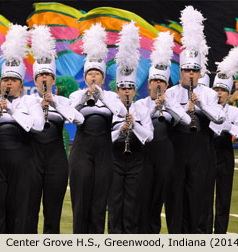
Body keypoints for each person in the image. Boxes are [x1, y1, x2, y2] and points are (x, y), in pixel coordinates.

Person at [0, 23, 44, 233]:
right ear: (0, 82)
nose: (8, 83)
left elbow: (39, 126)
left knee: (21, 214)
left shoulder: (30, 102)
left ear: (21, 84)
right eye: (5, 79)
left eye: (13, 80)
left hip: (23, 165)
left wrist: (12, 111)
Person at [164, 6, 225, 234]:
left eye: (194, 70)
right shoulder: (170, 93)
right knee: (175, 198)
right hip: (176, 151)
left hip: (201, 151)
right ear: (180, 71)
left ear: (200, 73)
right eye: (187, 70)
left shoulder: (209, 93)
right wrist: (182, 111)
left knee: (198, 198)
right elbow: (166, 123)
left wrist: (199, 105)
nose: (190, 74)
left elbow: (219, 118)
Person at [69, 23, 126, 234]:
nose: (93, 76)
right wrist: (86, 97)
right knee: (81, 200)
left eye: (97, 73)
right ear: (84, 77)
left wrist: (100, 95)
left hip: (104, 153)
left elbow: (120, 113)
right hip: (81, 152)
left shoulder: (110, 96)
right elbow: (69, 114)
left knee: (100, 201)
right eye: (90, 73)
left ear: (103, 76)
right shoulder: (76, 95)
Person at [29, 25, 84, 234]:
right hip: (32, 162)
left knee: (53, 213)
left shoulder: (63, 100)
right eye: (40, 75)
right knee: (30, 211)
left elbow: (78, 119)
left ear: (53, 79)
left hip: (57, 162)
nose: (44, 78)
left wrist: (55, 104)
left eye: (47, 75)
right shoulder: (28, 101)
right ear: (35, 80)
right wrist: (38, 109)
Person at [136, 31, 191, 234]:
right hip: (145, 155)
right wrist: (154, 108)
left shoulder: (172, 103)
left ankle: (155, 235)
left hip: (166, 155)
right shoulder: (141, 104)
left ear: (167, 85)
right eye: (155, 82)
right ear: (149, 84)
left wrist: (167, 104)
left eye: (162, 82)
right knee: (144, 196)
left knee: (160, 197)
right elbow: (140, 125)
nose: (158, 85)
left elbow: (186, 120)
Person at [107, 21, 153, 234]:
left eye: (130, 87)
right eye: (123, 87)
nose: (126, 91)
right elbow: (105, 138)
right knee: (115, 205)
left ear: (135, 90)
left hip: (136, 161)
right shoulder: (110, 108)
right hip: (115, 161)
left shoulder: (142, 109)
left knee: (133, 205)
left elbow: (149, 136)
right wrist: (119, 131)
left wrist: (133, 125)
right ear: (117, 89)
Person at [209, 45, 238, 234]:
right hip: (207, 156)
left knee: (223, 198)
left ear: (228, 92)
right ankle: (204, 234)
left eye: (222, 90)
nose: (219, 93)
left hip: (225, 156)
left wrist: (228, 127)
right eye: (216, 89)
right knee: (205, 197)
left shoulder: (235, 111)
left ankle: (221, 235)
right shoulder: (205, 109)